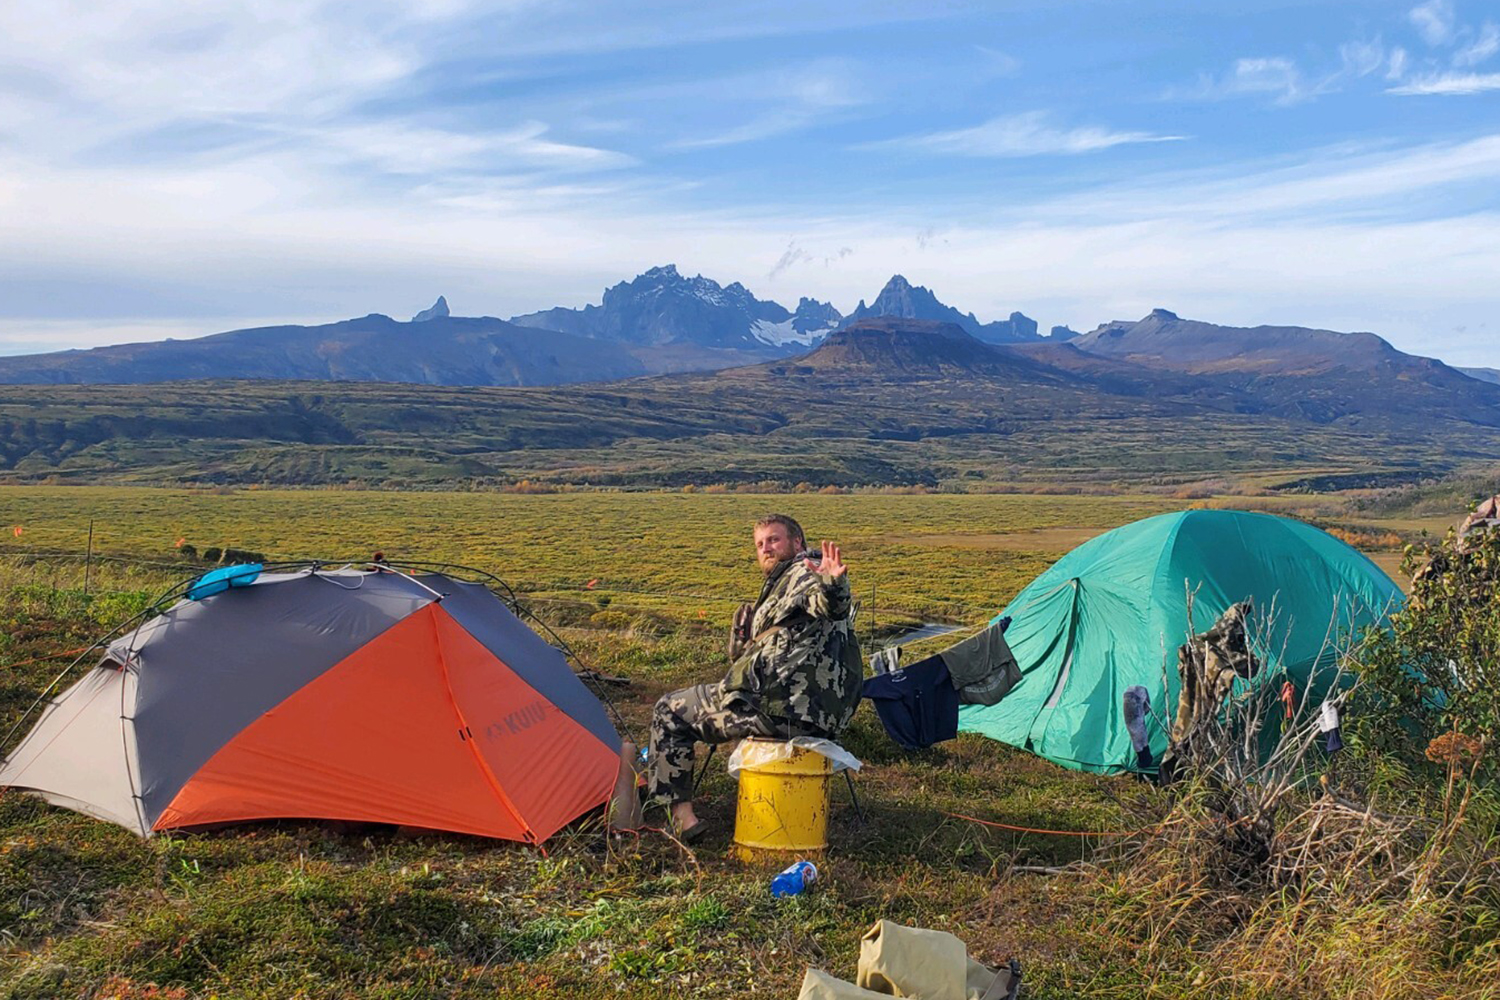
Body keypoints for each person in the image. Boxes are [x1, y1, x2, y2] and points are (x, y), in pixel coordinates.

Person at [647, 513, 862, 841]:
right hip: (815, 712)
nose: (766, 548)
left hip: (781, 707)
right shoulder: (781, 583)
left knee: (669, 710)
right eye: (760, 544)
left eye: (774, 540)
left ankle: (680, 819)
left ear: (797, 543)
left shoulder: (804, 572)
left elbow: (829, 604)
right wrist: (745, 643)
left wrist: (834, 585)